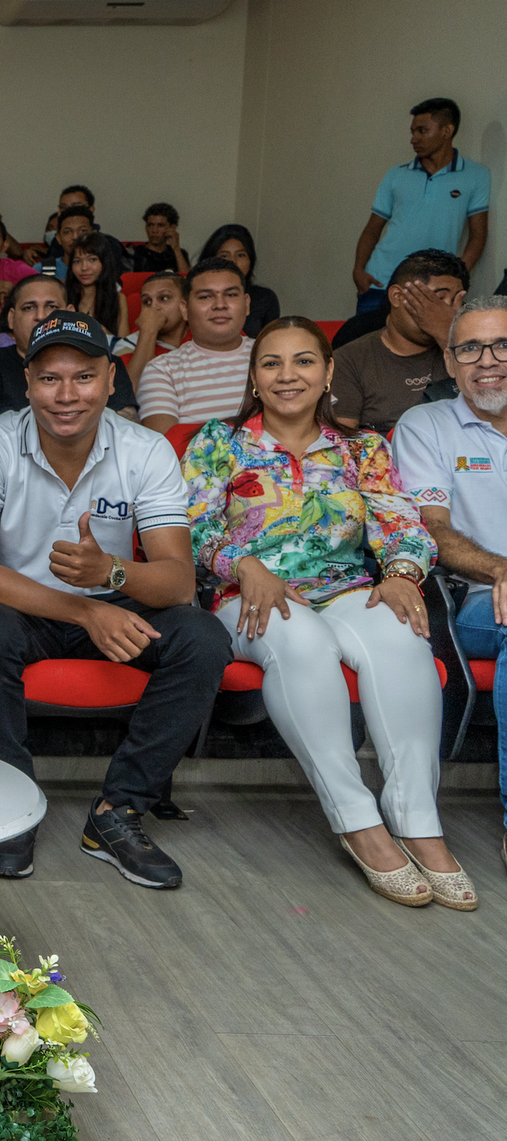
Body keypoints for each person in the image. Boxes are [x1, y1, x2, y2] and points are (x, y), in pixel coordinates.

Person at [184, 317, 469, 908]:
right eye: (272, 363)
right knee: (303, 640)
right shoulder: (218, 442)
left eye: (304, 362)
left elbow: (403, 525)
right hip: (249, 599)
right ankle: (356, 818)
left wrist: (401, 574)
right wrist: (242, 563)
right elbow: (190, 530)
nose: (288, 376)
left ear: (328, 372)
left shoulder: (362, 448)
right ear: (255, 377)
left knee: (402, 636)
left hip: (345, 588)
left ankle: (417, 818)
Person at [0, 309, 228, 887]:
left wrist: (112, 574)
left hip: (114, 600)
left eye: (83, 377)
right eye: (49, 378)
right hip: (19, 605)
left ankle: (118, 811)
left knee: (203, 638)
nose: (66, 394)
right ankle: (11, 806)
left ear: (109, 380)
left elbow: (177, 582)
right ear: (27, 384)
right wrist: (84, 606)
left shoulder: (146, 450)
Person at [392, 294, 507, 869]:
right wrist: (501, 570)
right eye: (470, 348)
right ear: (451, 362)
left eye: (502, 344)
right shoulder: (426, 425)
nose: (487, 360)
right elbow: (430, 530)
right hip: (473, 601)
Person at [354, 97, 490, 314]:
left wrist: (458, 277)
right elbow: (373, 228)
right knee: (365, 345)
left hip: (433, 289)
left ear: (447, 131)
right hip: (380, 283)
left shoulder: (475, 176)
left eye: (422, 131)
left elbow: (478, 235)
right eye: (412, 132)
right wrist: (359, 270)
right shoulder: (396, 174)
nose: (413, 139)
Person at [332, 249, 466, 433]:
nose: (448, 312)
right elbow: (339, 444)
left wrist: (449, 336)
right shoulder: (349, 360)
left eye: (457, 302)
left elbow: (490, 410)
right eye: (439, 299)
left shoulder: (475, 352)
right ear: (398, 296)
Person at [0, 274, 139, 419]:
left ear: (71, 314)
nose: (41, 316)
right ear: (11, 318)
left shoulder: (103, 361)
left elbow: (127, 428)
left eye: (51, 307)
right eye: (29, 308)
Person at [138, 258, 255, 434]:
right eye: (206, 297)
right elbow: (166, 449)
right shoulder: (163, 370)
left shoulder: (275, 357)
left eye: (230, 295)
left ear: (246, 304)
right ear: (184, 309)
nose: (220, 305)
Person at [197, 223, 280, 337]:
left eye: (241, 255)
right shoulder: (199, 295)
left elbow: (273, 343)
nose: (233, 262)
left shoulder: (265, 298)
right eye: (224, 256)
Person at [126, 270, 189, 388]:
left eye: (164, 298)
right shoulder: (128, 344)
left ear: (185, 305)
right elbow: (132, 394)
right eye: (147, 302)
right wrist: (148, 331)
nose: (153, 307)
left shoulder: (203, 335)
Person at [64, 232, 130, 340]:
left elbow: (123, 346)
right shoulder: (63, 296)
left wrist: (105, 335)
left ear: (104, 262)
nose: (84, 267)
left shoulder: (118, 299)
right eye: (77, 261)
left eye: (92, 260)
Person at [130, 203, 191, 275]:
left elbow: (187, 279)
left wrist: (176, 248)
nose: (154, 230)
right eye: (150, 225)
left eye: (160, 225)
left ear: (172, 227)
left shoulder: (179, 254)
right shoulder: (134, 253)